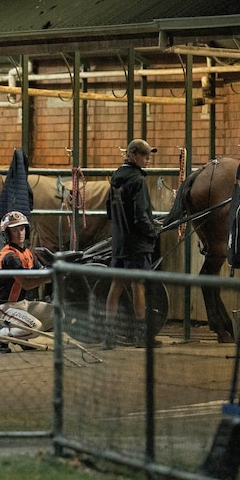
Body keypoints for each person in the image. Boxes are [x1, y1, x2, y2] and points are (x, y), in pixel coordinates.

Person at [103, 138, 162, 349]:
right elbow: (140, 216)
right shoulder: (137, 181)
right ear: (132, 155)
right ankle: (140, 335)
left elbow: (109, 211)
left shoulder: (115, 179)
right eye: (145, 156)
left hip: (119, 242)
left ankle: (108, 335)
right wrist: (152, 232)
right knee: (138, 286)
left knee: (116, 285)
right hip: (137, 244)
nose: (148, 160)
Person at [0, 211, 54, 353]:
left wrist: (54, 270)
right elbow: (26, 283)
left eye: (22, 229)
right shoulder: (9, 255)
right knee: (36, 327)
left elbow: (41, 272)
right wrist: (52, 276)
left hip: (22, 303)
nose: (20, 233)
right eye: (14, 230)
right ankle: (1, 333)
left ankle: (21, 336)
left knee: (58, 314)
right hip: (5, 306)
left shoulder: (26, 253)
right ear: (7, 234)